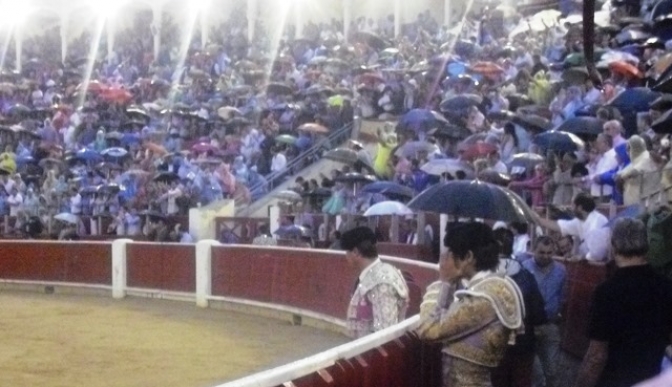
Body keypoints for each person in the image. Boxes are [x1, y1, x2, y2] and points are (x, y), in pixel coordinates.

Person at [416, 222, 524, 387]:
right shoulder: (490, 287)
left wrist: (444, 283)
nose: (447, 260)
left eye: (451, 254)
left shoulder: (483, 299)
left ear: (468, 257)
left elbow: (428, 330)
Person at [574, 219, 672, 387]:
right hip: (653, 379)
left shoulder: (607, 291)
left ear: (614, 246)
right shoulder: (666, 286)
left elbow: (597, 356)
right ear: (646, 245)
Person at [492, 228, 547, 387]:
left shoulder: (484, 277)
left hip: (494, 345)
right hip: (523, 344)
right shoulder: (526, 276)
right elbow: (539, 316)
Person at [341, 226, 409, 338]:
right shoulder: (379, 273)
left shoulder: (381, 283)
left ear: (356, 252)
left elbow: (385, 333)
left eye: (347, 251)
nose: (345, 256)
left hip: (371, 353)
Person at [522, 236, 566, 387]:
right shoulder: (524, 268)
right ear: (533, 250)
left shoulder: (561, 270)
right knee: (536, 373)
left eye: (549, 253)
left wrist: (557, 315)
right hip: (529, 327)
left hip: (550, 324)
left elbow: (562, 296)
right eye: (542, 252)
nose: (546, 256)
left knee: (552, 370)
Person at [531, 193, 608, 260]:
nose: (571, 208)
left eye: (573, 205)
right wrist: (538, 219)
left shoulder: (596, 223)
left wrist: (581, 257)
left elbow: (597, 255)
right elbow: (559, 226)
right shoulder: (579, 221)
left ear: (580, 208)